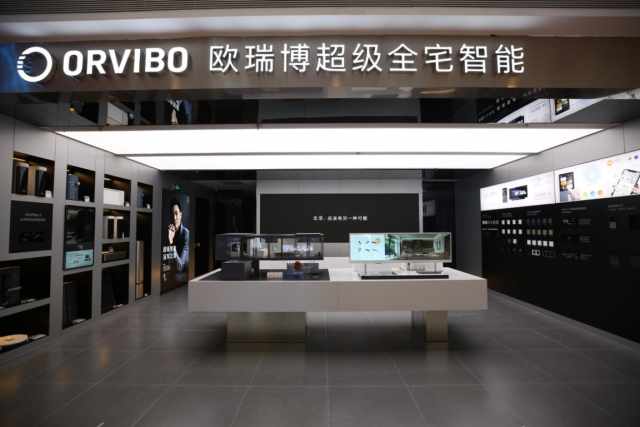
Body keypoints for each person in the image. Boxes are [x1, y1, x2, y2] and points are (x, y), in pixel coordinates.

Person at [167, 200, 189, 276]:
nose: (174, 218)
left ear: (180, 215)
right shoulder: (167, 231)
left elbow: (179, 267)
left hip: (180, 276)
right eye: (172, 214)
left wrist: (170, 242)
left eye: (176, 213)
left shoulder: (186, 234)